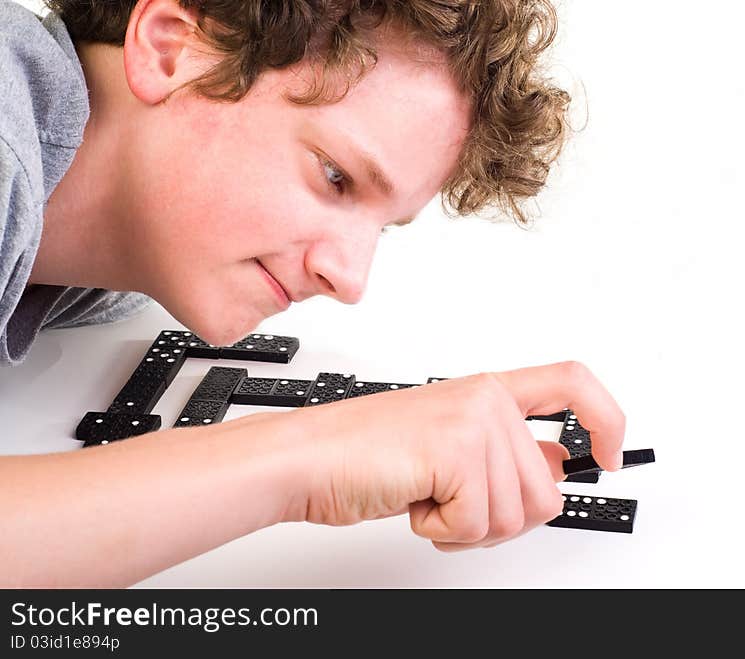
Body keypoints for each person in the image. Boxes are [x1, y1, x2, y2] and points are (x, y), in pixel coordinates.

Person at [0, 0, 625, 587]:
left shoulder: (110, 280)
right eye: (336, 176)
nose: (350, 280)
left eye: (383, 227)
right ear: (172, 51)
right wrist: (312, 460)